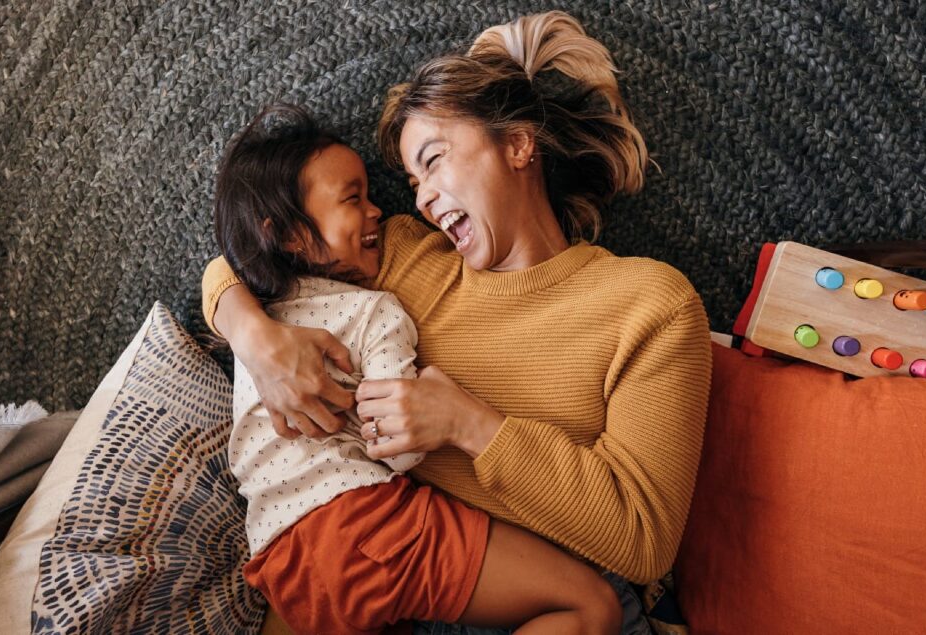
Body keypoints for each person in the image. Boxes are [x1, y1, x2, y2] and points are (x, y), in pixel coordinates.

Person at [203, 12, 711, 632]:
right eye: (412, 180)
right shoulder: (402, 253)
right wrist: (256, 338)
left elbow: (644, 539)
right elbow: (245, 254)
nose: (415, 199)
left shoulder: (650, 303)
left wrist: (471, 424)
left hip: (564, 606)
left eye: (434, 160)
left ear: (519, 145)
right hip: (389, 576)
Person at [215, 103, 622, 634]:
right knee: (591, 607)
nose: (382, 210)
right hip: (366, 524)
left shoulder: (260, 320)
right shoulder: (368, 310)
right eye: (354, 198)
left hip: (281, 564)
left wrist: (246, 324)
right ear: (290, 234)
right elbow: (401, 448)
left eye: (432, 163)